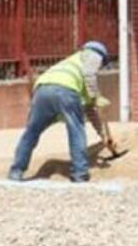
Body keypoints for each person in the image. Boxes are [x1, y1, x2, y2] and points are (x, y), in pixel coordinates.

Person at [8, 41, 117, 183]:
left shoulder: (71, 62)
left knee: (31, 132)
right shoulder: (93, 55)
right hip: (66, 90)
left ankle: (16, 171)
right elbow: (90, 74)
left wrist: (103, 136)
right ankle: (80, 174)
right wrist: (96, 96)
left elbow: (90, 111)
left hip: (42, 89)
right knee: (76, 130)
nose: (100, 66)